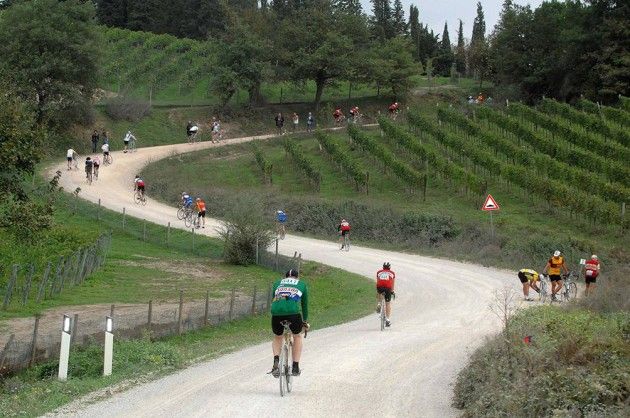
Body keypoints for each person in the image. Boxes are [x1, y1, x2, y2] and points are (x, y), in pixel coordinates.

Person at [270, 269, 309, 377]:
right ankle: (295, 366)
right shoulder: (302, 284)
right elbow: (304, 305)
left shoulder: (277, 283)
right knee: (297, 336)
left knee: (278, 337)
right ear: (297, 278)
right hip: (293, 314)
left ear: (285, 277)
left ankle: (276, 361)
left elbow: (274, 300)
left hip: (276, 314)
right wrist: (305, 321)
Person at [376, 262, 396, 327]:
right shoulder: (392, 273)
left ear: (383, 267)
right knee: (388, 303)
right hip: (388, 288)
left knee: (379, 291)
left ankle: (379, 303)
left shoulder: (379, 272)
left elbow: (378, 281)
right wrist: (392, 291)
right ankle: (387, 320)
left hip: (380, 287)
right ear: (389, 268)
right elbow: (392, 283)